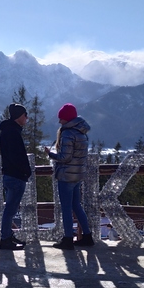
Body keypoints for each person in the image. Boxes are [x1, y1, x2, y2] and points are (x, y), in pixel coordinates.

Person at [45, 103, 94, 250]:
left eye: (61, 118)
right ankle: (87, 236)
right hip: (77, 175)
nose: (59, 121)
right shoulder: (82, 133)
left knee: (66, 208)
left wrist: (50, 154)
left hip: (66, 176)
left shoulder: (67, 134)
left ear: (67, 118)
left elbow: (64, 157)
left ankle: (67, 239)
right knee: (76, 206)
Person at [0, 103, 31, 250]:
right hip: (16, 176)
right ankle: (5, 239)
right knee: (10, 210)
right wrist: (25, 171)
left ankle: (8, 235)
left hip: (10, 174)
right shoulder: (12, 132)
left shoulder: (8, 130)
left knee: (10, 209)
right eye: (25, 115)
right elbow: (16, 156)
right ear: (19, 116)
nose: (27, 118)